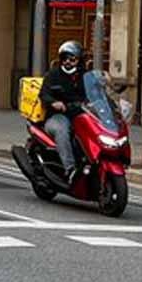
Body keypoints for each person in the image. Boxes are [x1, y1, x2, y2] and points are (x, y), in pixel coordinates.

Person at [39, 40, 87, 184]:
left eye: (72, 59)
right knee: (62, 130)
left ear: (78, 60)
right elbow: (43, 94)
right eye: (65, 58)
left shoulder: (84, 76)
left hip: (80, 115)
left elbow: (96, 92)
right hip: (57, 116)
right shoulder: (53, 75)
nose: (68, 62)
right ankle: (70, 168)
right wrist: (54, 102)